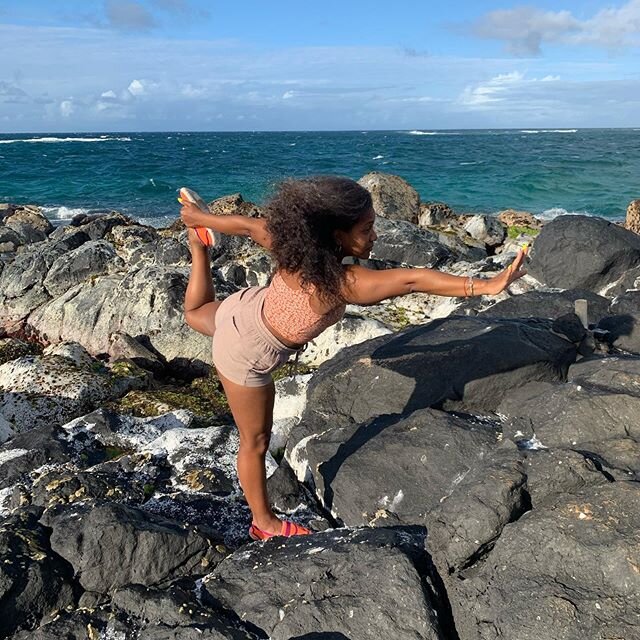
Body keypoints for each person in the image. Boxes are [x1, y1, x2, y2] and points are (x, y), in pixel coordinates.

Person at [180, 176, 527, 541]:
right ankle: (262, 523)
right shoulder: (343, 284)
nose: (375, 236)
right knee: (256, 442)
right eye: (366, 228)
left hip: (245, 309)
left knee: (195, 313)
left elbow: (249, 226)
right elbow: (412, 281)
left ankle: (198, 244)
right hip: (246, 353)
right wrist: (485, 285)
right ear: (335, 234)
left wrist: (200, 218)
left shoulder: (292, 246)